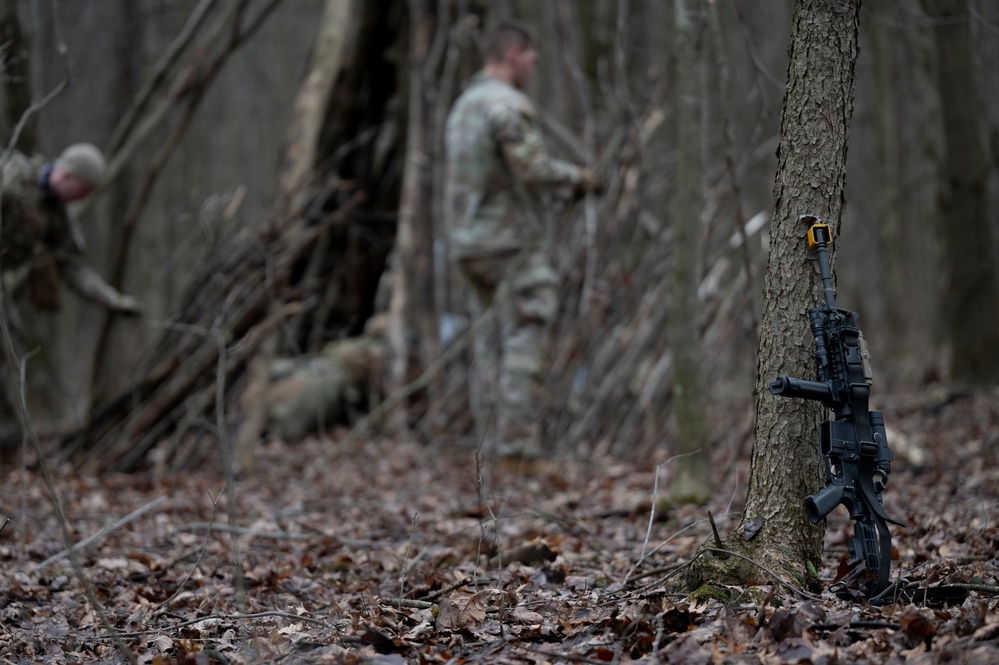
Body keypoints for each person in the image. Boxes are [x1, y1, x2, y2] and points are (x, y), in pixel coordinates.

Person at [444, 20, 597, 456]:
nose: (532, 67)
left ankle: (489, 451)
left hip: (467, 243)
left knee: (488, 343)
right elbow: (531, 168)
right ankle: (514, 452)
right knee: (525, 333)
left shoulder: (463, 106)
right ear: (514, 55)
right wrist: (580, 180)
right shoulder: (505, 105)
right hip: (507, 243)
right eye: (531, 58)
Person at [0, 142, 141, 315]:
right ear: (66, 175)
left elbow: (71, 265)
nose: (83, 197)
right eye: (84, 189)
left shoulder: (59, 220)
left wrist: (111, 300)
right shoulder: (14, 174)